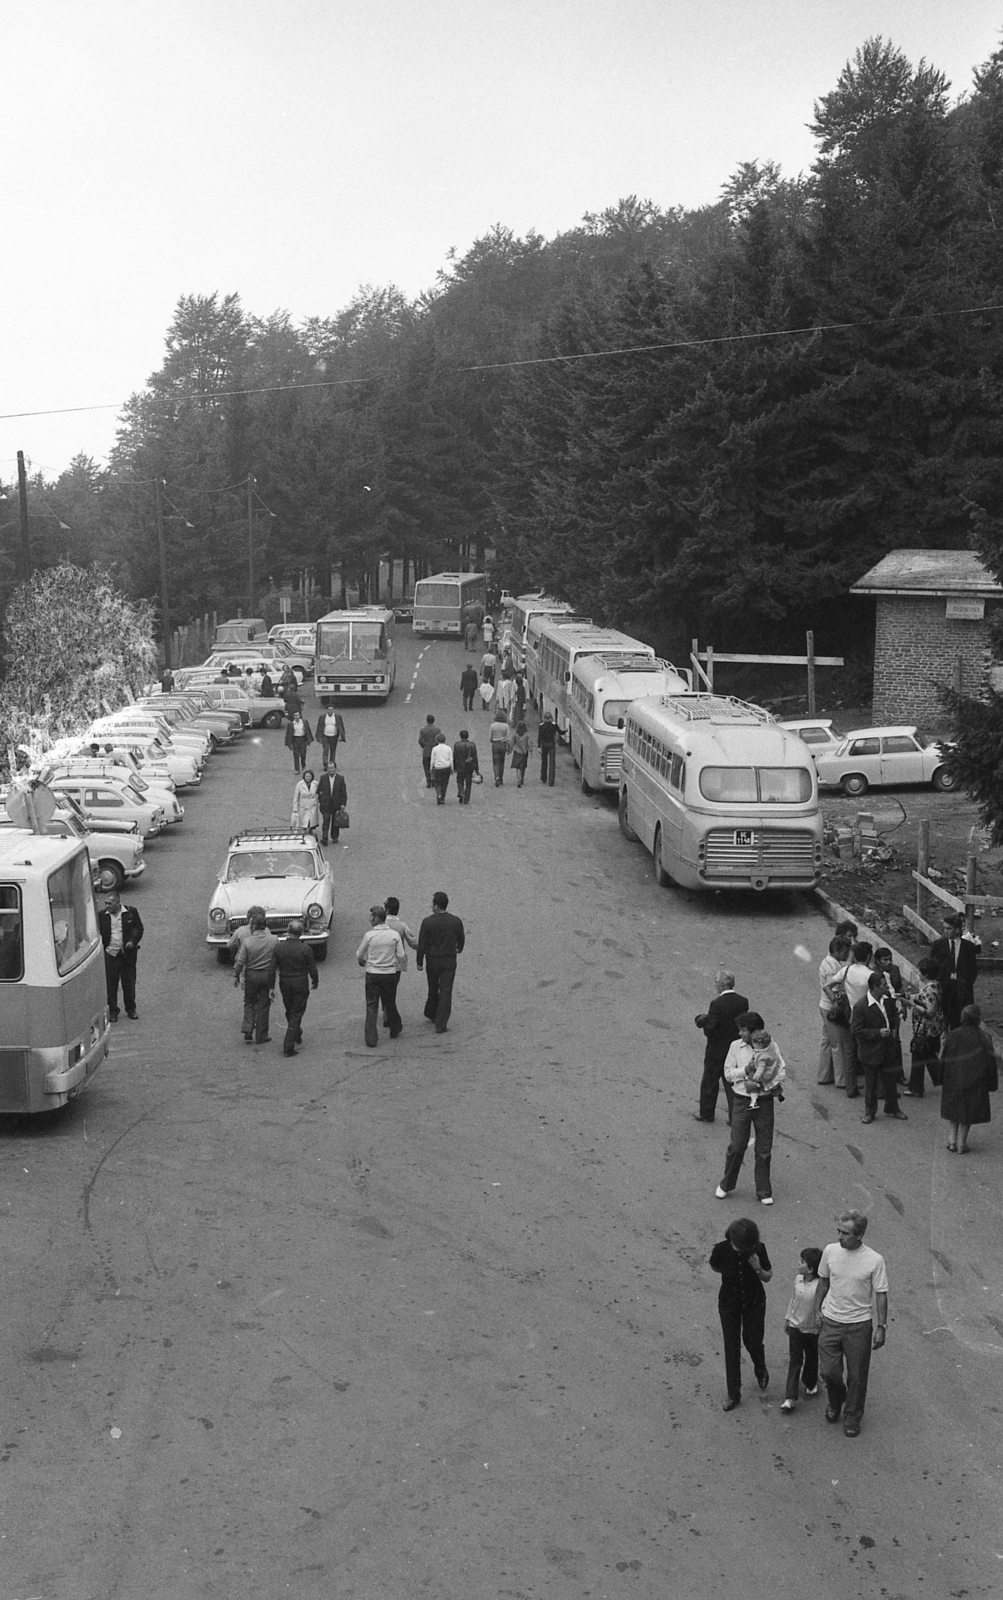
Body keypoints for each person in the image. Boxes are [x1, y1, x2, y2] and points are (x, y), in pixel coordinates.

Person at [815, 1210, 889, 1438]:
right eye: (838, 1231)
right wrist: (817, 1310)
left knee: (857, 1377)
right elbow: (823, 1281)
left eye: (845, 1233)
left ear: (859, 1235)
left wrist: (881, 1327)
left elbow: (881, 1294)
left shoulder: (874, 1260)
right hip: (831, 1322)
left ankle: (852, 1417)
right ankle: (836, 1400)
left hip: (858, 1326)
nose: (839, 1236)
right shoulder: (830, 1251)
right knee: (829, 1372)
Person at [715, 1011, 785, 1204]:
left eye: (743, 1030)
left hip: (764, 1102)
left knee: (764, 1148)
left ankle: (763, 1191)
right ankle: (727, 1183)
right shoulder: (735, 1047)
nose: (740, 1033)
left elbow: (781, 1072)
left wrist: (760, 1086)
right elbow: (728, 1074)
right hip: (741, 1100)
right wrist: (744, 1071)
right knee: (737, 1145)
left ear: (755, 1031)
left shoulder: (772, 1047)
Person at [709, 1216, 772, 1412]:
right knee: (732, 1347)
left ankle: (760, 1366)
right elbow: (715, 1265)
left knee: (753, 1340)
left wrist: (757, 1268)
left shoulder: (758, 1249)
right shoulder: (721, 1249)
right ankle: (733, 1394)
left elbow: (767, 1276)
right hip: (729, 1303)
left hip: (754, 1301)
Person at [940, 1002, 998, 1152]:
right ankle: (961, 1143)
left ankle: (951, 1139)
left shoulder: (953, 1035)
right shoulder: (985, 1037)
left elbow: (944, 1057)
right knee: (968, 1112)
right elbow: (991, 1062)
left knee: (954, 1110)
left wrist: (942, 1076)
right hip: (975, 1080)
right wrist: (991, 1083)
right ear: (978, 1019)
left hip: (954, 1078)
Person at [694, 970, 749, 1124]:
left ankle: (706, 1113)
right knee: (732, 1083)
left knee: (710, 1081)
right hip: (734, 1048)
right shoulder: (743, 1002)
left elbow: (710, 1029)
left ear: (720, 985)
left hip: (716, 1049)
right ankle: (735, 1117)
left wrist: (704, 1022)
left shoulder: (716, 1004)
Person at [851, 971, 906, 1124]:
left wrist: (894, 1030)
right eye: (883, 985)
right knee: (871, 1083)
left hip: (888, 1048)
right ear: (875, 987)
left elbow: (894, 1016)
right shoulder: (861, 1007)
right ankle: (869, 1112)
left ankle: (892, 1107)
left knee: (890, 1080)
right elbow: (856, 1030)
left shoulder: (887, 1000)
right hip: (871, 1051)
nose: (886, 988)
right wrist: (877, 1033)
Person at [416, 890, 465, 1033]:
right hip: (449, 960)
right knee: (446, 990)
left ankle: (432, 1012)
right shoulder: (455, 921)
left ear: (436, 906)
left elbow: (422, 944)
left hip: (432, 961)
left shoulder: (427, 922)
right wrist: (459, 949)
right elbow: (461, 939)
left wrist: (419, 961)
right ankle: (441, 1023)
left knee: (432, 987)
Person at [781, 1246, 823, 1412]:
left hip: (813, 1329)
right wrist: (788, 1318)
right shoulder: (798, 1279)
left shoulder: (820, 1286)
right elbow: (793, 1300)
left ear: (811, 1268)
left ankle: (811, 1382)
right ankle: (790, 1397)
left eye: (802, 1262)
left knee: (812, 1358)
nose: (799, 1264)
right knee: (795, 1360)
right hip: (796, 1327)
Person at [356, 906, 405, 1047]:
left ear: (376, 919)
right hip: (389, 974)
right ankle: (395, 1027)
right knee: (389, 1002)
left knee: (371, 1005)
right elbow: (401, 955)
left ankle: (371, 1038)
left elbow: (360, 953)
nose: (369, 919)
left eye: (371, 916)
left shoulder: (369, 935)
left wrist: (362, 961)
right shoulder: (394, 935)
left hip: (372, 974)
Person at [269, 920, 318, 1057]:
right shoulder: (305, 949)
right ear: (301, 933)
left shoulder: (279, 948)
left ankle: (295, 1032)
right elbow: (312, 968)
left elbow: (272, 969)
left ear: (287, 930)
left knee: (290, 1010)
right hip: (301, 982)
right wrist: (315, 980)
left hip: (285, 982)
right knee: (296, 1012)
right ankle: (288, 1045)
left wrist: (271, 987)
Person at [233, 910, 278, 1044]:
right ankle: (261, 1035)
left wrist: (236, 975)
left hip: (251, 975)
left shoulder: (247, 942)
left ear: (253, 926)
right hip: (267, 975)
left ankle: (248, 1028)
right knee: (264, 1005)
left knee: (249, 1002)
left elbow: (240, 961)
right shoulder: (273, 940)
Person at [930, 913, 981, 1031]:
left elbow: (972, 970)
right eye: (945, 928)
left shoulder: (968, 947)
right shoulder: (939, 945)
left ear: (957, 930)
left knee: (958, 1021)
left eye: (949, 928)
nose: (946, 931)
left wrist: (965, 984)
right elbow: (932, 966)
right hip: (943, 987)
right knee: (941, 1019)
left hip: (960, 988)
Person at [98, 894, 144, 1021]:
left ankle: (131, 1009)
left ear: (117, 902)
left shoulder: (130, 912)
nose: (107, 906)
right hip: (111, 954)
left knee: (128, 983)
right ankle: (113, 1011)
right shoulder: (102, 916)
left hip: (127, 955)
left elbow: (138, 928)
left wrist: (132, 941)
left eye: (109, 904)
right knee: (111, 984)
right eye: (106, 903)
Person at [905, 955, 945, 1097]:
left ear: (926, 973)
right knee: (922, 1056)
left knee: (922, 1054)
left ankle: (919, 1086)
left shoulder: (930, 990)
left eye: (920, 972)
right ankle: (916, 1087)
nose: (919, 974)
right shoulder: (933, 985)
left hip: (926, 1029)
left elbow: (930, 1011)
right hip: (930, 1028)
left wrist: (912, 1005)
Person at [841, 940, 875, 1097]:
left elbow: (829, 984)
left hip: (850, 1016)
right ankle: (872, 1087)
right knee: (868, 1052)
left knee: (850, 1053)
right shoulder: (870, 975)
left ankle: (851, 1087)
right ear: (869, 957)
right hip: (866, 1019)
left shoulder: (847, 970)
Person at [817, 936, 852, 1088]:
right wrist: (838, 1002)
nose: (846, 954)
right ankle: (842, 1079)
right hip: (832, 1009)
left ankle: (824, 1075)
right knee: (838, 1045)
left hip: (824, 1007)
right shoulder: (833, 968)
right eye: (844, 951)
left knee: (827, 1042)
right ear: (837, 950)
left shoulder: (827, 962)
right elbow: (831, 988)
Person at [384, 895, 418, 1027]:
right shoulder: (402, 926)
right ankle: (389, 1012)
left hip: (383, 962)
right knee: (393, 988)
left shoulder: (381, 924)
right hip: (398, 962)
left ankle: (386, 1011)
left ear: (386, 910)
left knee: (384, 988)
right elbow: (413, 942)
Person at [746, 1029, 784, 1108]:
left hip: (764, 1075)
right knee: (774, 1085)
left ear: (760, 1044)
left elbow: (761, 1067)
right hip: (772, 1071)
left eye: (754, 1043)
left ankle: (754, 1101)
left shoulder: (761, 1056)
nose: (753, 1045)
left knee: (753, 1085)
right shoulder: (769, 1048)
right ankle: (778, 1093)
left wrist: (757, 1076)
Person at [318, 763, 348, 845]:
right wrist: (321, 800)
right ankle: (325, 837)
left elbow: (343, 793)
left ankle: (334, 836)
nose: (331, 770)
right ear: (327, 769)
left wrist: (343, 804)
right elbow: (319, 790)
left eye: (332, 768)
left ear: (335, 768)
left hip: (336, 804)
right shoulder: (323, 778)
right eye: (329, 768)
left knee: (336, 822)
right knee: (326, 820)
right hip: (326, 804)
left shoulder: (340, 778)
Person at [452, 729, 480, 804]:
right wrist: (477, 770)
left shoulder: (456, 745)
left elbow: (455, 756)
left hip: (460, 766)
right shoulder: (472, 745)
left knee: (460, 781)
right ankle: (466, 799)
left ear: (460, 736)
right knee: (468, 783)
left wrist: (454, 767)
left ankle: (461, 792)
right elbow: (475, 757)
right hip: (469, 766)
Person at [291, 769, 320, 834]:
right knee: (304, 822)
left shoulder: (316, 784)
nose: (308, 778)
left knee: (311, 822)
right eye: (307, 776)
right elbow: (296, 797)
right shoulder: (299, 784)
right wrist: (295, 808)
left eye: (309, 776)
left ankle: (309, 832)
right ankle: (305, 833)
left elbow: (319, 793)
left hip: (313, 807)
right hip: (303, 807)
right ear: (304, 776)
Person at [284, 709, 313, 773]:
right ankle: (297, 769)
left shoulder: (304, 722)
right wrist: (289, 743)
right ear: (293, 716)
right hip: (295, 739)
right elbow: (288, 734)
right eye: (295, 715)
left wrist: (308, 741)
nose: (296, 716)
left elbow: (308, 731)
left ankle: (303, 765)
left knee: (303, 754)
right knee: (296, 755)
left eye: (297, 715)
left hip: (302, 739)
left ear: (300, 715)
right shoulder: (291, 724)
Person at [318, 702, 347, 767]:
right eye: (329, 709)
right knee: (326, 749)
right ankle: (325, 763)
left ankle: (332, 763)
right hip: (325, 736)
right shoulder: (323, 717)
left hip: (334, 736)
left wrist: (341, 736)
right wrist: (319, 736)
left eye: (331, 709)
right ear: (327, 710)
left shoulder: (337, 717)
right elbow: (319, 727)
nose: (330, 711)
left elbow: (341, 726)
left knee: (333, 750)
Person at [418, 713, 442, 789]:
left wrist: (424, 746)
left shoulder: (423, 730)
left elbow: (420, 740)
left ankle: (428, 781)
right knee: (435, 766)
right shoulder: (437, 730)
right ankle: (434, 780)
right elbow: (439, 739)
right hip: (435, 751)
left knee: (426, 767)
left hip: (426, 751)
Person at [429, 733, 454, 804]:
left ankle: (439, 794)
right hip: (446, 767)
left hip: (437, 767)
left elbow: (432, 759)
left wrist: (431, 768)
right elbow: (451, 759)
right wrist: (452, 768)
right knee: (445, 783)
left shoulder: (435, 749)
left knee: (438, 783)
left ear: (437, 740)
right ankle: (443, 797)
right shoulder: (448, 748)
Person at [488, 712, 511, 785]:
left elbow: (490, 737)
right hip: (502, 744)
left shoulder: (492, 725)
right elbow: (508, 738)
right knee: (501, 762)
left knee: (495, 762)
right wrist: (509, 747)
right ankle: (501, 778)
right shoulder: (506, 726)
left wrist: (493, 741)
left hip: (495, 744)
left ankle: (496, 776)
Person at [538, 712, 557, 785]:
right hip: (552, 744)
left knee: (544, 761)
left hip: (544, 744)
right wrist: (565, 731)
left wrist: (539, 746)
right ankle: (551, 781)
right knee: (552, 762)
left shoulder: (541, 726)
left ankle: (544, 777)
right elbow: (560, 732)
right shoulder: (554, 725)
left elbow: (540, 737)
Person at [510, 721, 530, 787]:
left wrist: (509, 749)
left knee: (518, 767)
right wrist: (531, 750)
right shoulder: (526, 734)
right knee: (523, 767)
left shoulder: (515, 735)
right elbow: (529, 744)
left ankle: (519, 779)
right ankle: (522, 779)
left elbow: (512, 743)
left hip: (517, 752)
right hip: (524, 753)